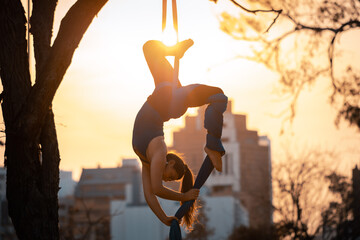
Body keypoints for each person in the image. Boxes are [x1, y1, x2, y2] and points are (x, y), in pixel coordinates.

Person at [132, 39, 228, 229]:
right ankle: (212, 145)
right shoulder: (159, 151)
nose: (165, 179)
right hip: (170, 101)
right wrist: (183, 197)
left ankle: (174, 52)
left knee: (149, 48)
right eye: (170, 176)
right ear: (171, 162)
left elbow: (149, 194)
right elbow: (157, 190)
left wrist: (164, 217)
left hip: (165, 93)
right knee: (218, 96)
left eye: (169, 180)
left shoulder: (147, 161)